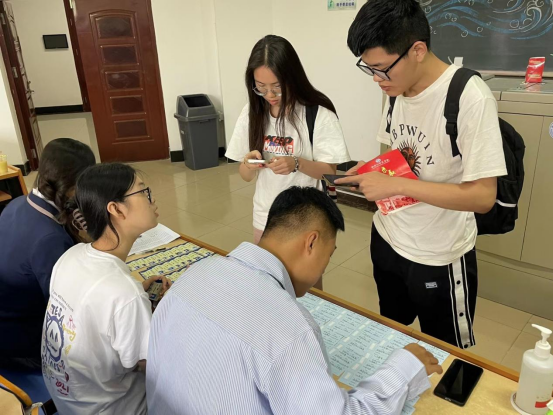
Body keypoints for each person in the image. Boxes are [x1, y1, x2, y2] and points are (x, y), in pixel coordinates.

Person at [146, 186, 442, 414]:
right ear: (311, 242)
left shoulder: (193, 274)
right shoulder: (291, 328)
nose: (324, 267)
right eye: (329, 254)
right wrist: (402, 370)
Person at [337, 0, 507, 349]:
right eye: (369, 69)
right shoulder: (395, 91)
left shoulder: (469, 97)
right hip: (387, 238)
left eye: (382, 69)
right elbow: (398, 153)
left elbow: (482, 197)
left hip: (438, 254)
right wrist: (371, 169)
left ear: (417, 50)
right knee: (392, 332)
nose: (377, 80)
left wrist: (394, 184)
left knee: (445, 351)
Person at [41, 163, 171, 415]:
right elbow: (154, 368)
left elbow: (94, 311)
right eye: (143, 192)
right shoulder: (124, 294)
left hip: (68, 402)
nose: (152, 199)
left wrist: (136, 298)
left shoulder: (71, 256)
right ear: (116, 209)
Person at [225, 35, 350, 244]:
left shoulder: (318, 113)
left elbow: (329, 171)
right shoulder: (252, 113)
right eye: (261, 86)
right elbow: (245, 176)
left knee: (303, 267)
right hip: (266, 216)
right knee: (267, 266)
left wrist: (296, 163)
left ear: (293, 78)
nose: (270, 95)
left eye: (277, 86)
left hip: (307, 218)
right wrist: (249, 164)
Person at [0, 138, 95, 371]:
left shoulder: (17, 203)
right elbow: (69, 309)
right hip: (21, 344)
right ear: (75, 186)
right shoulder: (50, 239)